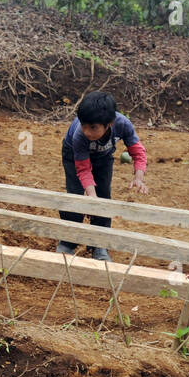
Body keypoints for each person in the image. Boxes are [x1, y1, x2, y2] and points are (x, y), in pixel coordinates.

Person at [57, 91, 148, 259]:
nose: (87, 132)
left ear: (109, 124)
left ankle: (99, 244)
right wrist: (91, 195)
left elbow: (138, 151)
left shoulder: (123, 124)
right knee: (75, 194)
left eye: (93, 128)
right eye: (84, 125)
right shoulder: (79, 135)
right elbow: (83, 169)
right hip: (74, 156)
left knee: (104, 195)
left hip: (104, 157)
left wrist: (138, 177)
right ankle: (68, 241)